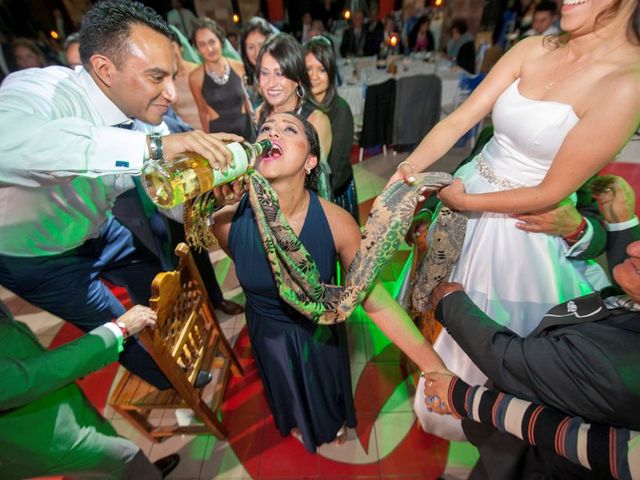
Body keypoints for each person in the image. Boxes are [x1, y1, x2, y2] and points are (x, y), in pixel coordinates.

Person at [390, 0, 640, 439]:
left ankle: (481, 425)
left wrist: (466, 204)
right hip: (466, 188)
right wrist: (406, 174)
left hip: (515, 227)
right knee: (429, 303)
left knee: (488, 342)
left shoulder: (629, 82)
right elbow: (461, 118)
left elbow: (552, 192)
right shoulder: (531, 47)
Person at [0, 0, 242, 390]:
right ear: (104, 70)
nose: (170, 92)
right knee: (120, 326)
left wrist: (210, 199)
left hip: (100, 230)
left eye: (173, 76)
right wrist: (153, 150)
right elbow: (9, 145)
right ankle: (171, 379)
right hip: (40, 259)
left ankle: (177, 341)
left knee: (161, 281)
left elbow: (172, 202)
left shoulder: (152, 126)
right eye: (156, 77)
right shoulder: (38, 90)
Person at [210, 112, 445, 453]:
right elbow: (244, 261)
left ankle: (328, 424)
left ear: (310, 161)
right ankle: (297, 422)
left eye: (289, 129)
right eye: (265, 129)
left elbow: (373, 299)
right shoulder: (227, 220)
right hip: (266, 333)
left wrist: (432, 365)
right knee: (284, 389)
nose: (273, 132)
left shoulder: (337, 223)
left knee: (321, 391)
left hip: (315, 335)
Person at [422, 175, 640, 478]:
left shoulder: (617, 365)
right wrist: (622, 223)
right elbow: (461, 176)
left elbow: (512, 360)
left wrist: (450, 303)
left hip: (537, 458)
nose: (634, 249)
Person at [0, 301, 180, 479]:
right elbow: (26, 376)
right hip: (38, 438)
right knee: (127, 456)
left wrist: (70, 370)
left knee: (105, 462)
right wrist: (119, 330)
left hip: (51, 401)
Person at [255, 33, 333, 199]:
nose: (270, 83)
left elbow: (318, 185)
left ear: (297, 77)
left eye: (280, 73)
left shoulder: (316, 121)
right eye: (265, 73)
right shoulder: (262, 113)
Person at [304, 36, 358, 221]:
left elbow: (335, 167)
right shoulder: (302, 106)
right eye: (308, 69)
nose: (313, 76)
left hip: (334, 192)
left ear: (331, 72)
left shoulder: (340, 110)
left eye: (321, 70)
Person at [189, 17, 254, 140]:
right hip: (221, 136)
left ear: (220, 40)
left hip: (246, 131)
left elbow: (247, 100)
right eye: (202, 44)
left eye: (212, 41)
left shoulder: (238, 66)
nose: (209, 49)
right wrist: (209, 141)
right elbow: (202, 111)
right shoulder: (195, 77)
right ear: (197, 49)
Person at [240, 17, 274, 109]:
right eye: (251, 47)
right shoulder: (249, 80)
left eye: (261, 45)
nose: (257, 53)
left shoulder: (285, 74)